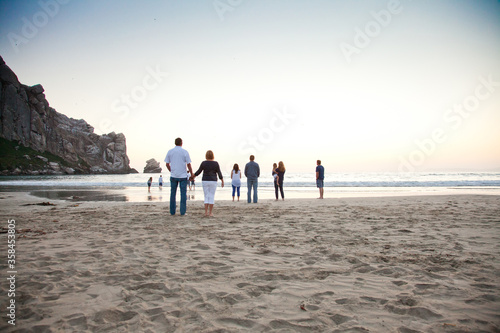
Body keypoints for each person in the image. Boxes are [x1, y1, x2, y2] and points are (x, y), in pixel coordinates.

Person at [164, 138, 193, 216]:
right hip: (183, 175)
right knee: (183, 194)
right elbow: (188, 164)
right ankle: (182, 212)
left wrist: (171, 170)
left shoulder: (170, 151)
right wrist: (192, 174)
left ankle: (172, 212)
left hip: (173, 175)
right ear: (181, 143)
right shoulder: (185, 152)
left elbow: (167, 164)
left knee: (173, 194)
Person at [192, 150, 224, 217]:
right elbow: (219, 172)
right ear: (213, 156)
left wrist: (192, 176)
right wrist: (222, 180)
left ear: (206, 156)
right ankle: (210, 213)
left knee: (206, 196)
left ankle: (206, 212)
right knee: (211, 196)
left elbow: (199, 171)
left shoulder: (204, 163)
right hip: (213, 181)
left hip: (205, 180)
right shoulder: (216, 163)